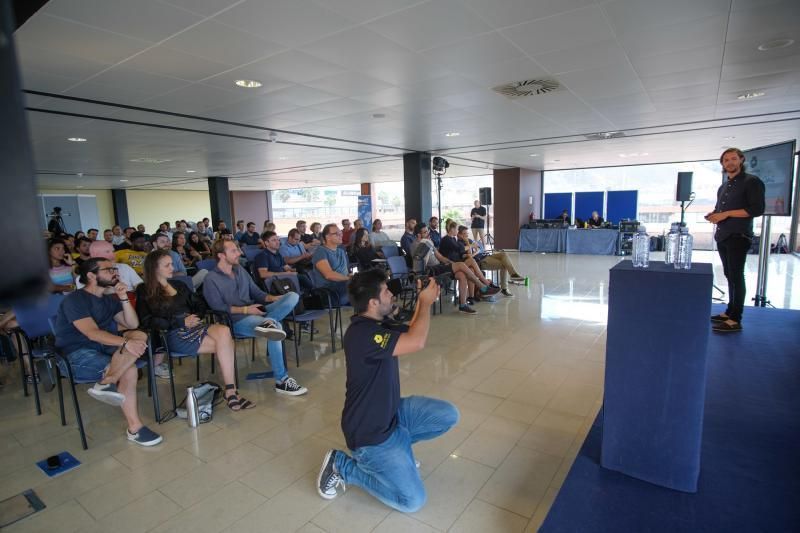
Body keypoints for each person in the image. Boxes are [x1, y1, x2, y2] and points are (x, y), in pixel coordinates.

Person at [316, 269, 459, 511]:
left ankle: (400, 449)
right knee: (412, 501)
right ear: (373, 302)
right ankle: (343, 466)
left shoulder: (376, 323)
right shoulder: (363, 334)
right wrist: (424, 303)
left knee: (448, 415)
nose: (391, 294)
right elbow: (417, 342)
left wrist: (421, 300)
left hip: (392, 415)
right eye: (386, 291)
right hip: (371, 436)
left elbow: (412, 330)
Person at [54, 258, 162, 446]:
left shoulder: (108, 299)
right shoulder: (75, 299)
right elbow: (92, 333)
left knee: (139, 334)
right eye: (109, 269)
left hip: (103, 348)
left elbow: (132, 324)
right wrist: (126, 343)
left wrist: (123, 297)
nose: (115, 272)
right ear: (91, 275)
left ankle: (107, 381)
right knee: (130, 368)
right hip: (75, 354)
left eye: (115, 269)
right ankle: (135, 429)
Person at [136, 250, 254, 410]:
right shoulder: (144, 290)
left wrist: (195, 317)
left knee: (224, 332)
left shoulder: (179, 284)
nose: (173, 267)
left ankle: (230, 390)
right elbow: (146, 320)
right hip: (171, 334)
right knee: (226, 344)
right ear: (154, 268)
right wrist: (180, 321)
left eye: (172, 263)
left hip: (195, 327)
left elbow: (200, 305)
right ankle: (231, 391)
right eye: (167, 265)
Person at [203, 239, 307, 395]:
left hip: (257, 311)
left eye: (238, 249)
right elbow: (218, 307)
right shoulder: (211, 279)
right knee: (276, 329)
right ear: (221, 255)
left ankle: (268, 322)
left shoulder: (240, 270)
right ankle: (281, 381)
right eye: (233, 251)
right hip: (236, 321)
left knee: (292, 296)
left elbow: (257, 293)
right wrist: (246, 310)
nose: (239, 253)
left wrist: (274, 298)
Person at [705, 147, 765, 333]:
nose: (729, 162)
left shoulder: (752, 182)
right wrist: (714, 215)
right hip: (723, 235)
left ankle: (735, 319)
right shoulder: (723, 186)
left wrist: (727, 214)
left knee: (737, 276)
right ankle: (729, 311)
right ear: (722, 164)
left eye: (733, 159)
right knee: (730, 275)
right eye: (726, 160)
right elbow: (720, 211)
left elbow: (756, 210)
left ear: (741, 160)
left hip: (739, 236)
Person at [458, 226, 524, 297]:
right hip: (481, 261)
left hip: (485, 255)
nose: (467, 235)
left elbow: (479, 249)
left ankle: (513, 274)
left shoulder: (470, 240)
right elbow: (470, 256)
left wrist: (475, 248)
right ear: (460, 235)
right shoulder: (459, 244)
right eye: (465, 233)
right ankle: (504, 288)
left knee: (504, 254)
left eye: (467, 233)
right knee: (504, 264)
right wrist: (469, 244)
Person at [311, 223, 351, 304]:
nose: (340, 235)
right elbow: (329, 275)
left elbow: (345, 273)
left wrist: (351, 277)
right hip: (329, 291)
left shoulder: (341, 251)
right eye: (337, 234)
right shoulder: (321, 251)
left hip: (343, 284)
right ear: (327, 237)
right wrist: (349, 279)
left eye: (340, 233)